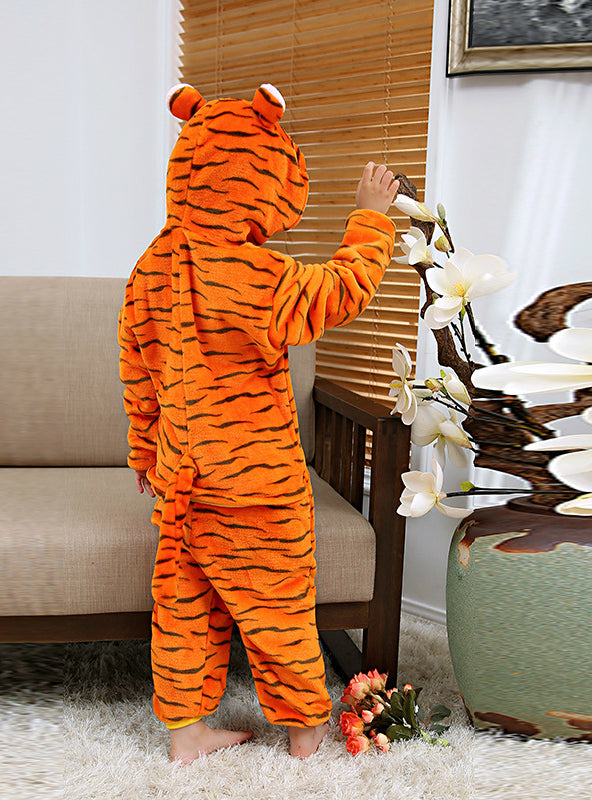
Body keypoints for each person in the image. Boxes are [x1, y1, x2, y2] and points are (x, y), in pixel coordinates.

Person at [118, 82, 400, 762]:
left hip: (183, 479)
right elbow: (339, 290)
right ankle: (304, 732)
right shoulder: (257, 274)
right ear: (259, 177)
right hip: (257, 483)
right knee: (276, 604)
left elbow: (138, 369)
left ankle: (186, 734)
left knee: (184, 606)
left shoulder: (149, 269)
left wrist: (144, 454)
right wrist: (369, 220)